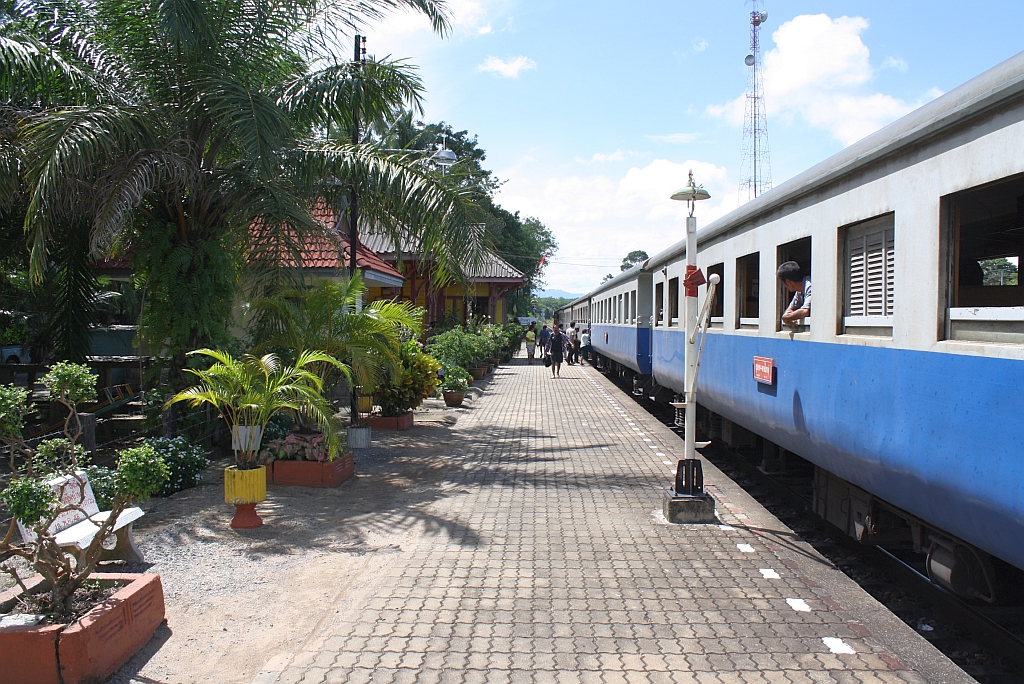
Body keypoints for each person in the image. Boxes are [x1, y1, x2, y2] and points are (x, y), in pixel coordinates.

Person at [778, 261, 811, 328]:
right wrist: (788, 316)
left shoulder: (810, 286)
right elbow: (791, 308)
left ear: (788, 281)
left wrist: (787, 318)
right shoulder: (799, 290)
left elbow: (806, 311)